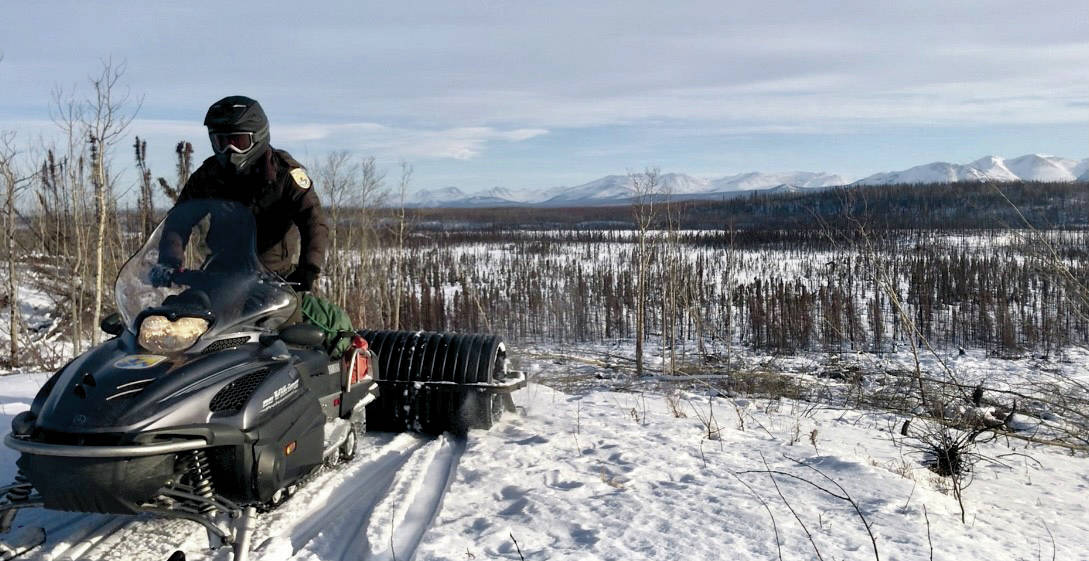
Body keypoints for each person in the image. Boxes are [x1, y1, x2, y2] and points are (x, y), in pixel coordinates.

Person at [155, 95, 329, 291]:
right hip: (218, 278)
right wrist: (169, 261)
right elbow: (179, 220)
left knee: (289, 322)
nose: (230, 149)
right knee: (180, 316)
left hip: (273, 282)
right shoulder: (209, 175)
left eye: (238, 141)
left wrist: (309, 268)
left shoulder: (284, 175)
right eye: (222, 142)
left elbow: (314, 221)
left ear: (258, 136)